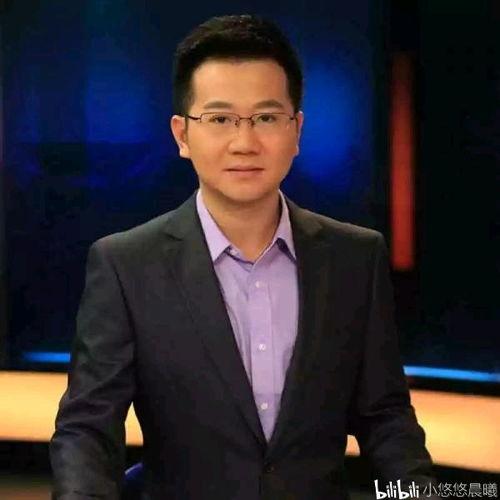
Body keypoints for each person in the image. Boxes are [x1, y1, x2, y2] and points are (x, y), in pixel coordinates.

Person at [50, 14, 437, 500]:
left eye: (267, 118)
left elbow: (386, 420)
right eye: (220, 119)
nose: (245, 143)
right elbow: (87, 429)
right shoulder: (126, 265)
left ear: (297, 130)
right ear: (182, 135)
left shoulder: (355, 258)